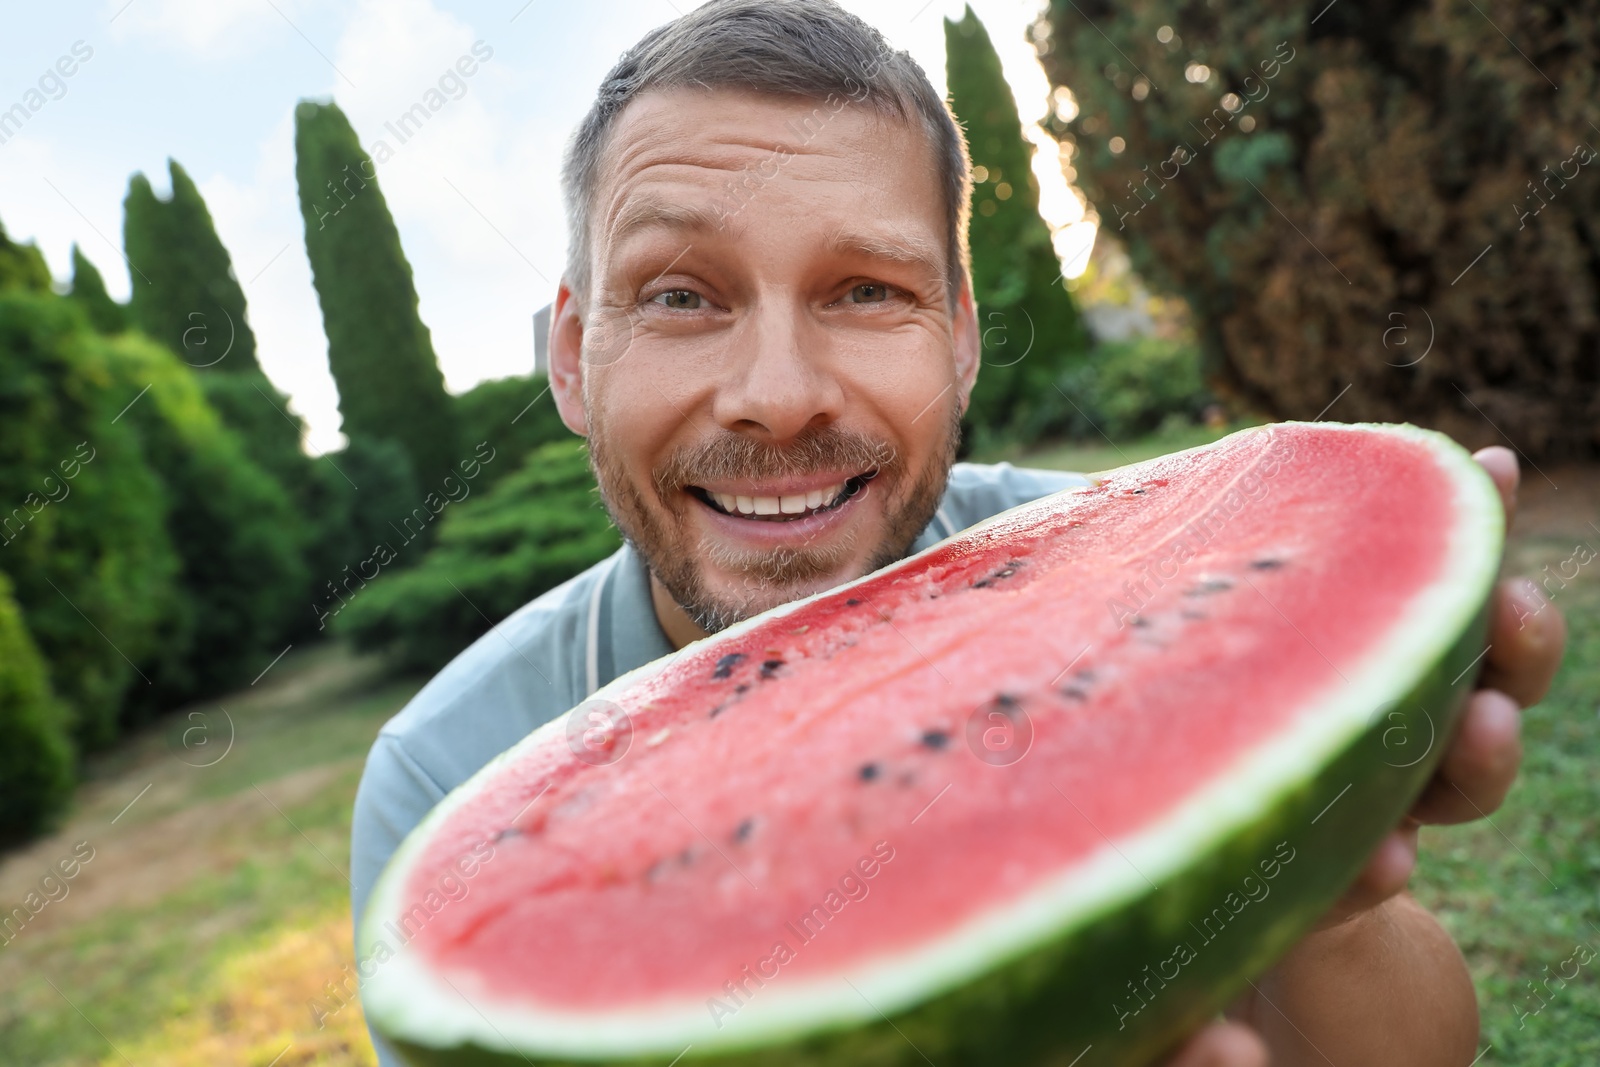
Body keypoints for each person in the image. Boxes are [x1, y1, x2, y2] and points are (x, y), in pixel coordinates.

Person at [350, 2, 1567, 1063]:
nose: (778, 391)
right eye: (680, 295)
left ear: (963, 336)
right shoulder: (448, 775)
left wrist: (1322, 905)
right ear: (572, 357)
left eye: (866, 290)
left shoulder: (1133, 571)